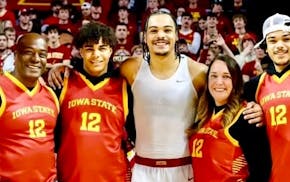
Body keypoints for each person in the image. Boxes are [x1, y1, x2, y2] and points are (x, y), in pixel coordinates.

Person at [48, 10, 264, 182]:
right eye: (154, 30)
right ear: (145, 37)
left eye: (167, 30)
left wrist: (254, 107)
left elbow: (226, 88)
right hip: (142, 170)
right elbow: (97, 68)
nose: (160, 35)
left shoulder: (196, 72)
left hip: (183, 169)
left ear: (176, 35)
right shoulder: (131, 68)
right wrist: (66, 66)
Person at [53, 22, 131, 182]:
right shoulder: (63, 82)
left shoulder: (125, 86)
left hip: (113, 176)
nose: (96, 55)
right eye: (89, 48)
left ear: (110, 51)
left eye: (102, 48)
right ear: (80, 51)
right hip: (70, 176)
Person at [188, 54, 272, 182]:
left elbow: (262, 171)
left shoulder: (247, 116)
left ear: (235, 81)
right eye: (214, 76)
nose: (219, 82)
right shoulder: (202, 115)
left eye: (226, 77)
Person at [0, 33, 59, 181]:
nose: (36, 59)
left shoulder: (51, 94)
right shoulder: (1, 89)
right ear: (15, 55)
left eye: (42, 54)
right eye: (28, 52)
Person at [244, 13, 290, 182]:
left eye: (286, 38)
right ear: (265, 47)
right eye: (273, 40)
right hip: (274, 176)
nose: (280, 45)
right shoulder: (255, 87)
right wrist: (255, 115)